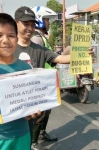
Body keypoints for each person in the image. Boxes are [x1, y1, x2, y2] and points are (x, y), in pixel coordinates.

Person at [14, 6, 93, 150]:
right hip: (13, 105)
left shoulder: (40, 50)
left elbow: (61, 58)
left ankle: (32, 142)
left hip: (32, 106)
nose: (30, 28)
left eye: (32, 25)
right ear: (16, 23)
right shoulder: (7, 49)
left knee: (26, 137)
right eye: (26, 24)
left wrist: (82, 54)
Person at [0, 13, 41, 150]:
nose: (5, 40)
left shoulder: (25, 68)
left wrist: (31, 112)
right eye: (0, 35)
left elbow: (28, 102)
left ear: (16, 39)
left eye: (11, 35)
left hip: (22, 135)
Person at [30, 6, 58, 143]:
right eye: (47, 19)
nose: (49, 23)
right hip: (40, 82)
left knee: (47, 111)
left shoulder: (42, 37)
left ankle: (41, 133)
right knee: (40, 113)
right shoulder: (36, 39)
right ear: (40, 19)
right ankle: (33, 142)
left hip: (47, 81)